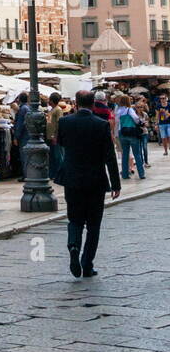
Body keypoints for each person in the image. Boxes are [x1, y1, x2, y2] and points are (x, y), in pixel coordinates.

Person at [58, 89, 121, 278]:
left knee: (75, 219)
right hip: (95, 181)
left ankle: (74, 246)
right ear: (93, 104)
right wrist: (116, 184)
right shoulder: (101, 125)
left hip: (72, 179)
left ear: (76, 104)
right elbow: (110, 157)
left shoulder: (64, 122)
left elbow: (60, 143)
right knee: (94, 225)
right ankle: (87, 264)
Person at [115, 94, 146, 181]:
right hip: (132, 133)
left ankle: (125, 174)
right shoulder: (129, 110)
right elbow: (136, 119)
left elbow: (117, 123)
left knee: (125, 154)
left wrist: (116, 134)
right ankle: (141, 174)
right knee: (137, 154)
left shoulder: (118, 111)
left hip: (122, 133)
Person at [46, 92, 65, 183]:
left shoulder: (58, 110)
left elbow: (59, 123)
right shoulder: (51, 110)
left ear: (52, 101)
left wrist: (55, 136)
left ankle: (60, 174)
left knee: (58, 156)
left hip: (54, 136)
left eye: (49, 99)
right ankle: (53, 174)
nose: (48, 101)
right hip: (49, 136)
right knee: (52, 156)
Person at [12, 92, 29, 178]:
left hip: (23, 136)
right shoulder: (28, 108)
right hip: (28, 135)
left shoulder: (22, 109)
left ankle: (26, 175)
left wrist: (16, 137)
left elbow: (19, 125)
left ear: (19, 99)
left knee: (24, 156)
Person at [157, 92, 170, 156]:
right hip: (161, 124)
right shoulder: (158, 106)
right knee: (163, 138)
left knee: (169, 135)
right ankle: (165, 151)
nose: (162, 99)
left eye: (163, 98)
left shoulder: (169, 105)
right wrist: (156, 124)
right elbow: (157, 115)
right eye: (161, 98)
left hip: (169, 123)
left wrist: (165, 112)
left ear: (166, 98)